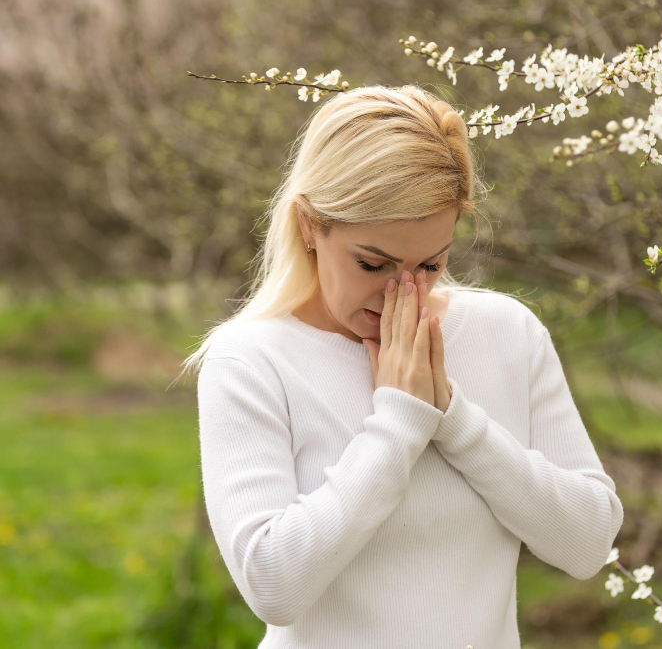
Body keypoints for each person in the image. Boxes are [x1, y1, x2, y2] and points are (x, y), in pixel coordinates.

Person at [180, 84, 624, 648]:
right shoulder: (251, 360)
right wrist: (397, 423)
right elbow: (272, 584)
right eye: (373, 263)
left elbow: (588, 543)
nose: (402, 294)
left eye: (431, 264)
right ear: (310, 225)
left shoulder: (506, 333)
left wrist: (456, 421)